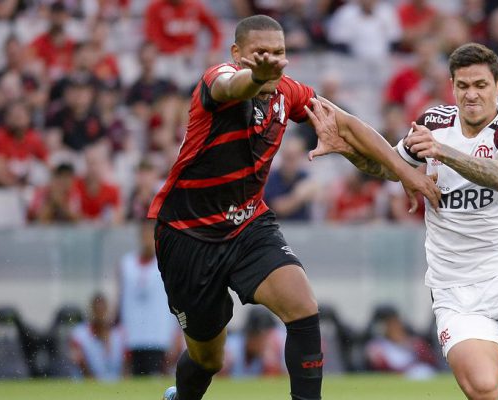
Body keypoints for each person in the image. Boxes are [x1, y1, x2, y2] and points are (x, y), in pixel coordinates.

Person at [307, 43, 498, 400]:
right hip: (455, 286)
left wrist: (441, 152)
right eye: (463, 85)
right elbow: (387, 167)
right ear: (452, 86)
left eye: (480, 85)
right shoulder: (434, 123)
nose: (471, 94)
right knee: (483, 390)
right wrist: (348, 148)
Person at [151, 15, 440, 400]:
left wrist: (407, 173)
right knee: (207, 358)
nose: (271, 61)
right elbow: (230, 87)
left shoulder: (289, 93)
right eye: (260, 54)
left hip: (247, 224)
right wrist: (255, 76)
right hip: (188, 234)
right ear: (237, 54)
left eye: (279, 53)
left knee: (302, 306)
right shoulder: (217, 78)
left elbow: (349, 126)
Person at [117, 220, 174, 376]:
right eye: (144, 234)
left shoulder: (167, 262)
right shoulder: (126, 264)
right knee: (135, 379)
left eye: (151, 235)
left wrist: (176, 334)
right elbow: (121, 300)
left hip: (159, 336)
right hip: (133, 336)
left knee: (157, 380)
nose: (147, 238)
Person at [69, 293, 126, 381]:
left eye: (103, 310)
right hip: (87, 383)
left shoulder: (119, 334)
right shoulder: (80, 334)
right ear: (91, 311)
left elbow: (126, 364)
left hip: (115, 383)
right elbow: (79, 362)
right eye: (97, 310)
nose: (100, 314)